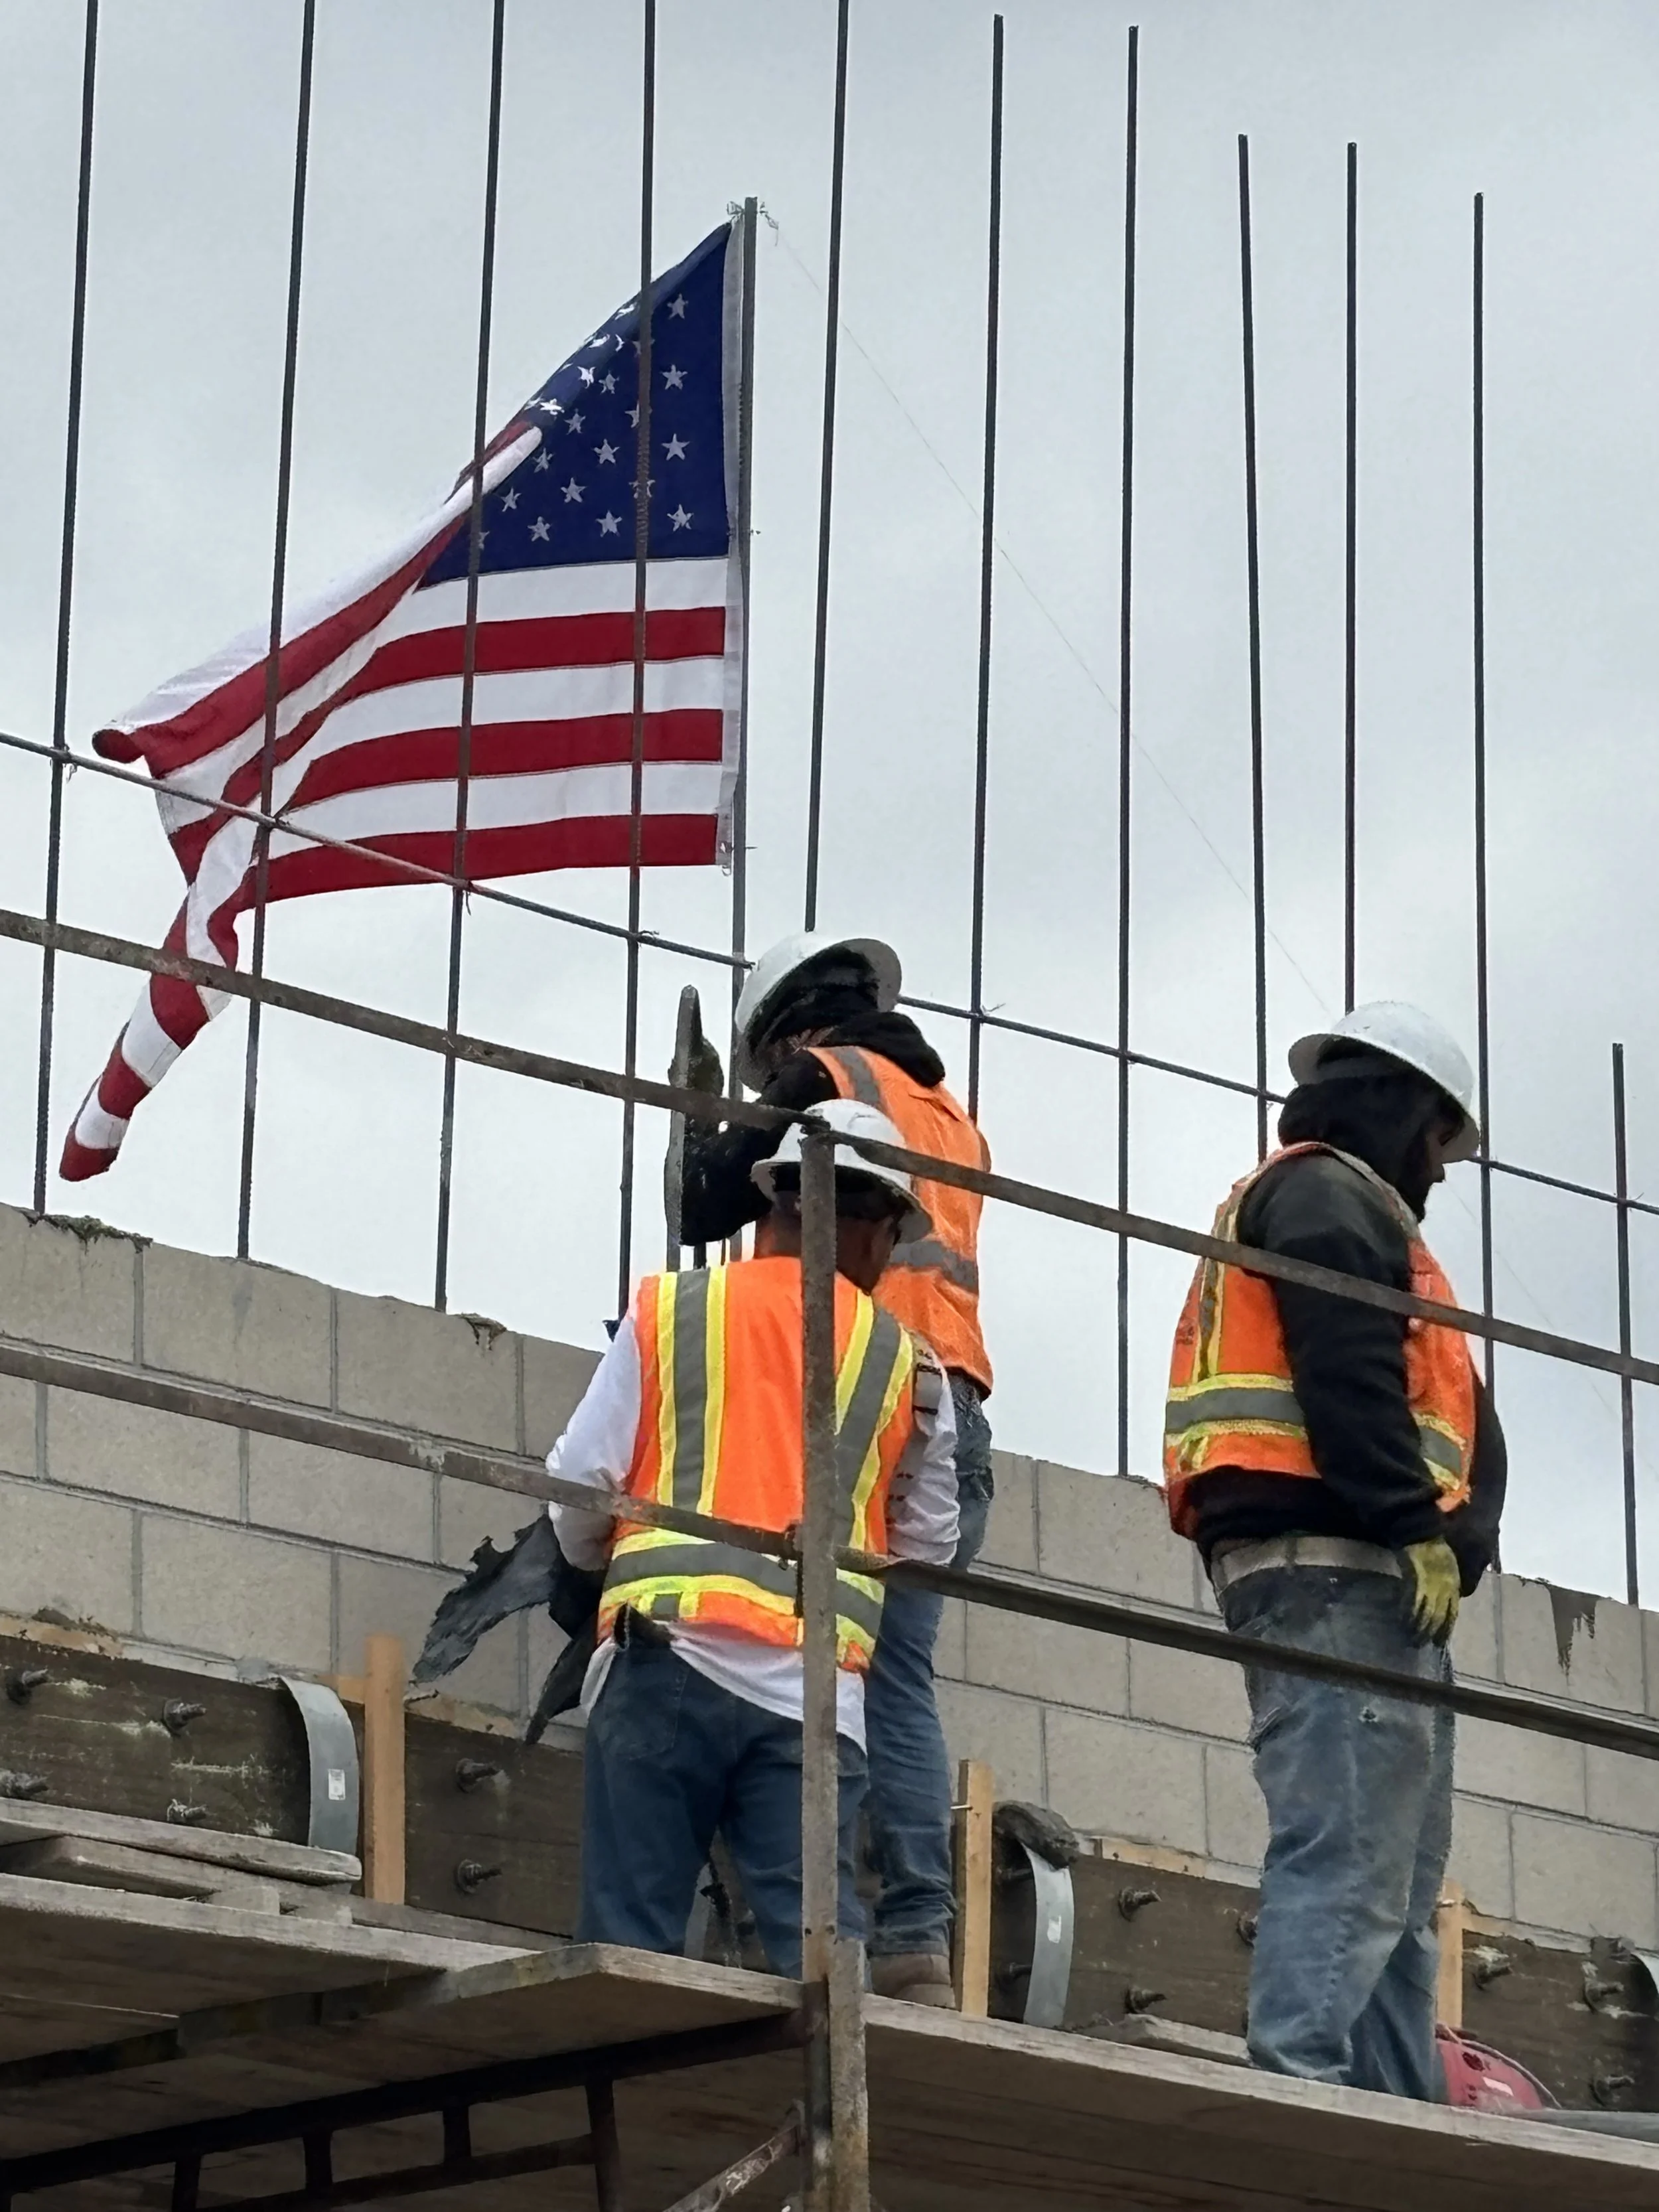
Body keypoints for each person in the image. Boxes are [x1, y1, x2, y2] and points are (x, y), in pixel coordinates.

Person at [1161, 1002, 1506, 2101]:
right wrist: (1413, 1524)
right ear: (1405, 1113)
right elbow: (1348, 1369)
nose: (1441, 1174)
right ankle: (1302, 2090)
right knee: (1354, 1859)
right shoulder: (1323, 1196)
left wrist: (1453, 1535)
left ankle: (1393, 2110)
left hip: (1370, 1576)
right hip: (1338, 1565)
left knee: (1400, 1890)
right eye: (1438, 1144)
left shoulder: (1355, 1214)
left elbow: (1455, 1417)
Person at [551, 1100, 960, 1976]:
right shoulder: (914, 1368)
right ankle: (819, 2117)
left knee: (631, 1951)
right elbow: (927, 1548)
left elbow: (581, 1480)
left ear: (775, 1199)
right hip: (813, 1706)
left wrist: (598, 1561)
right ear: (876, 1227)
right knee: (814, 1974)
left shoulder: (673, 1312)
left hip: (666, 1654)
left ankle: (638, 2107)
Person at [679, 929, 993, 2006]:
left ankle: (831, 1924)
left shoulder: (829, 1079)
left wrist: (708, 1128)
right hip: (951, 1402)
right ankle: (913, 1937)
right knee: (895, 1675)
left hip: (857, 1393)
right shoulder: (948, 1110)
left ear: (790, 1030)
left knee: (795, 1655)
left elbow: (712, 1197)